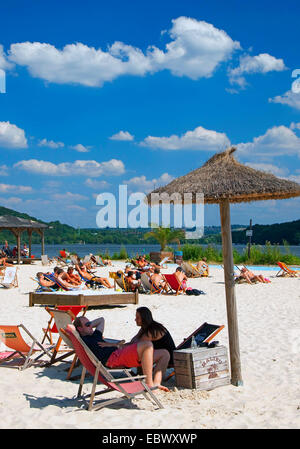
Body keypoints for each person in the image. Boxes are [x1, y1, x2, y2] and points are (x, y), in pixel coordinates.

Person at [74, 315, 170, 390]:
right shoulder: (83, 340)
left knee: (165, 353)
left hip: (120, 353)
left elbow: (101, 320)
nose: (91, 326)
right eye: (87, 325)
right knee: (147, 344)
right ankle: (149, 384)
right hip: (113, 359)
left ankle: (157, 383)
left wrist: (89, 324)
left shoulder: (95, 335)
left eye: (90, 323)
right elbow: (70, 327)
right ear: (79, 329)